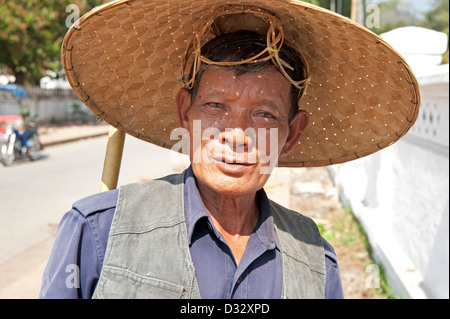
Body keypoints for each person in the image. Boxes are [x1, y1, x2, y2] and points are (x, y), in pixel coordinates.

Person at [39, 0, 420, 299]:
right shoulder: (97, 230)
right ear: (185, 113)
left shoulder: (316, 260)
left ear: (292, 133)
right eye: (216, 107)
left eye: (265, 115)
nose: (236, 134)